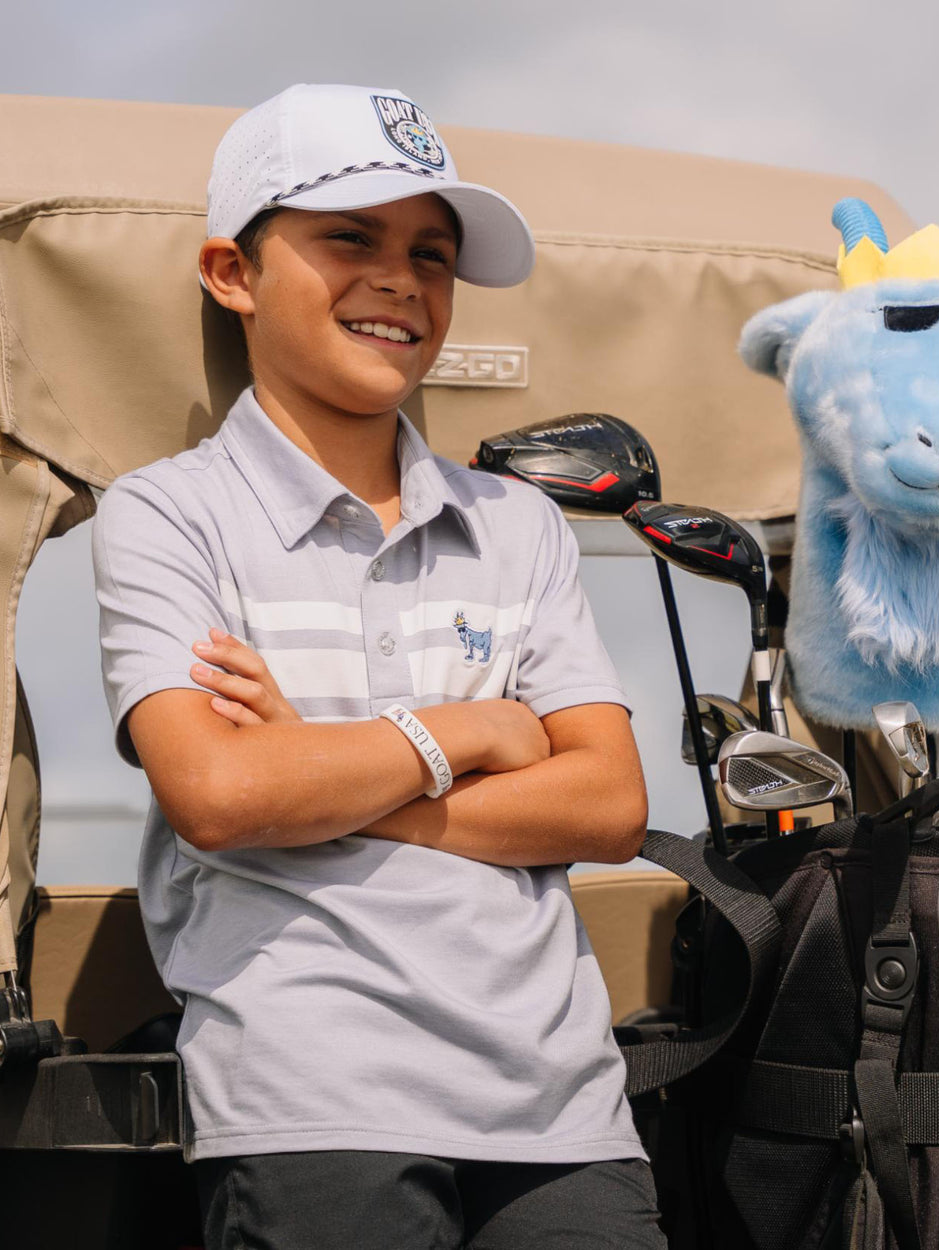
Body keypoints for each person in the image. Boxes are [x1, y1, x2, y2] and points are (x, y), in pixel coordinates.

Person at [93, 83, 666, 1249]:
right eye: (351, 237)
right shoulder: (164, 514)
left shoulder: (519, 523)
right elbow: (220, 794)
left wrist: (322, 770)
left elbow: (608, 805)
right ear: (232, 273)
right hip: (308, 1097)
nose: (402, 279)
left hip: (563, 1105)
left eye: (431, 254)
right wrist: (466, 733)